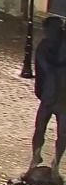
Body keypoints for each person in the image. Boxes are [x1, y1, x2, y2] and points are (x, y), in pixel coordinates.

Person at [30, 16, 66, 173]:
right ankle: (36, 156)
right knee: (39, 128)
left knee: (63, 133)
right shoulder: (44, 47)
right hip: (48, 96)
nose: (47, 33)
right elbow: (43, 68)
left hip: (64, 100)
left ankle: (56, 163)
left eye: (50, 30)